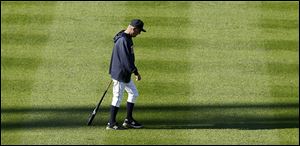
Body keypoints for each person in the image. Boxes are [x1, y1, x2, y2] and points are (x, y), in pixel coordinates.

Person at [106, 19, 146, 130]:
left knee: (134, 93)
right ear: (134, 29)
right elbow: (126, 61)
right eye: (139, 31)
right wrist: (136, 72)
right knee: (117, 98)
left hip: (124, 73)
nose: (139, 33)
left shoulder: (126, 37)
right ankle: (111, 123)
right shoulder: (123, 40)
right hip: (120, 74)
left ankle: (128, 120)